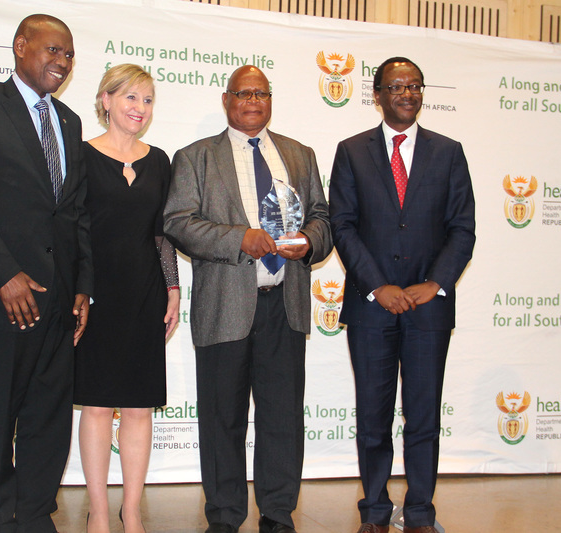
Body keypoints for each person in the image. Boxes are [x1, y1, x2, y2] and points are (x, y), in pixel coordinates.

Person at [164, 65, 332, 533]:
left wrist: (310, 240)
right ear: (226, 100)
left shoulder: (300, 154)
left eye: (261, 93)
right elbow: (178, 222)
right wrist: (239, 238)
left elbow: (322, 215)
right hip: (225, 309)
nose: (253, 101)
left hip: (286, 305)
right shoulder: (196, 156)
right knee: (222, 422)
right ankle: (224, 518)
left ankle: (279, 516)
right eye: (243, 93)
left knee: (282, 419)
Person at [0, 14, 92, 533]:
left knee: (49, 416)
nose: (61, 62)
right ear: (20, 46)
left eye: (69, 54)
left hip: (58, 301)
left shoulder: (70, 121)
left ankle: (34, 513)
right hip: (1, 296)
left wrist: (82, 289)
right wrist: (5, 274)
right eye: (53, 50)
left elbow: (75, 213)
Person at [328, 57, 475, 533]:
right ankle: (373, 511)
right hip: (372, 308)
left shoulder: (449, 151)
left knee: (423, 418)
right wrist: (378, 286)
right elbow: (343, 226)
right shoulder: (351, 151)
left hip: (429, 309)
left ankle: (419, 513)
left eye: (414, 85)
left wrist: (435, 283)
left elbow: (463, 229)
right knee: (373, 418)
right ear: (377, 95)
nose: (407, 93)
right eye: (396, 86)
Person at [74, 64, 180, 533]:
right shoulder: (80, 156)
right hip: (94, 296)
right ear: (105, 101)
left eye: (148, 100)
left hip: (145, 294)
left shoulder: (160, 160)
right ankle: (98, 510)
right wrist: (78, 292)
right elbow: (72, 230)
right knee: (96, 406)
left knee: (138, 407)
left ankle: (131, 511)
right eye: (131, 98)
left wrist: (173, 288)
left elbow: (163, 235)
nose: (140, 108)